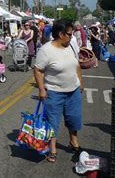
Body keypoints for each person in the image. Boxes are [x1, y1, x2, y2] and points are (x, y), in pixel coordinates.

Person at [34, 20, 84, 163]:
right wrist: (42, 89)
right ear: (61, 34)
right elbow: (37, 70)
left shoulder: (71, 46)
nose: (72, 36)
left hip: (73, 90)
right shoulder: (46, 50)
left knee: (73, 118)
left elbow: (77, 65)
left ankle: (73, 142)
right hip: (54, 92)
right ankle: (52, 149)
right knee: (53, 122)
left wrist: (80, 82)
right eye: (69, 34)